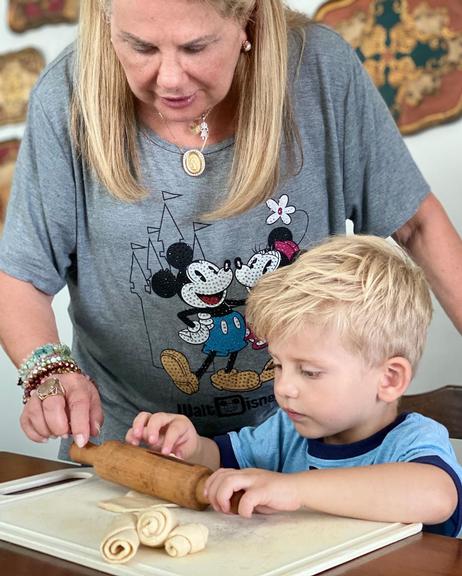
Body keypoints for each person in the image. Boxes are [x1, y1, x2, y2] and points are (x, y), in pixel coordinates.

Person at [0, 1, 461, 459]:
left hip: (299, 453)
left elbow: (417, 226)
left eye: (196, 47)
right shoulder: (67, 94)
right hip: (130, 452)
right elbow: (22, 275)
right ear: (107, 22)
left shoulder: (320, 70)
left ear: (248, 19)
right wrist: (49, 370)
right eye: (141, 47)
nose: (170, 79)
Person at [126, 235, 462, 537]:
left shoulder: (413, 441)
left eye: (310, 372)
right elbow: (223, 460)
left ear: (389, 379)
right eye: (278, 365)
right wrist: (190, 447)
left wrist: (294, 490)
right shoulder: (286, 433)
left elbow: (437, 496)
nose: (284, 387)